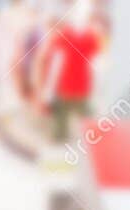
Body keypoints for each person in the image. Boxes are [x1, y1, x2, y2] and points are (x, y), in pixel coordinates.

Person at [37, 0, 102, 143]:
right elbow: (96, 67)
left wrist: (48, 91)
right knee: (80, 127)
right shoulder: (88, 37)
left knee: (65, 129)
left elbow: (56, 65)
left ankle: (66, 154)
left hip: (73, 90)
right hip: (74, 90)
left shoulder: (76, 36)